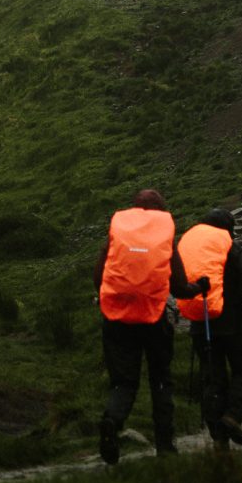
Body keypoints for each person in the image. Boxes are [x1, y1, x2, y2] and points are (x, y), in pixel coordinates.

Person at [95, 187, 204, 462]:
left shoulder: (118, 234)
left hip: (117, 320)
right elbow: (178, 287)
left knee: (123, 382)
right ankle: (165, 446)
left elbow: (98, 277)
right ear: (161, 211)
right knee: (160, 381)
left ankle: (113, 420)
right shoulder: (164, 236)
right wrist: (198, 288)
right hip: (154, 319)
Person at [176, 209, 242, 448]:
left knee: (213, 378)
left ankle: (218, 436)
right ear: (228, 229)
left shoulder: (188, 244)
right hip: (233, 321)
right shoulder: (230, 246)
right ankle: (232, 416)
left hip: (200, 322)